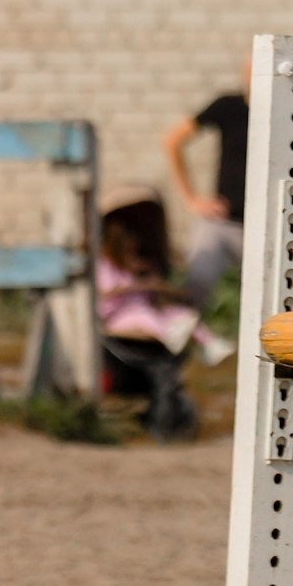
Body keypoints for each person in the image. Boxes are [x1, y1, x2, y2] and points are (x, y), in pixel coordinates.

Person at [163, 64, 293, 306]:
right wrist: (192, 200)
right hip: (225, 223)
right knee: (192, 291)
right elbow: (172, 140)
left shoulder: (292, 113)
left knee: (291, 298)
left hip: (274, 228)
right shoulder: (228, 107)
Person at [94, 187, 207, 441]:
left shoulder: (146, 265)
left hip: (147, 317)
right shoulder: (104, 265)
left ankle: (203, 341)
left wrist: (158, 287)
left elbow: (159, 298)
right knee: (144, 319)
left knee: (178, 316)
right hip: (118, 320)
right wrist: (139, 285)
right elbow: (105, 295)